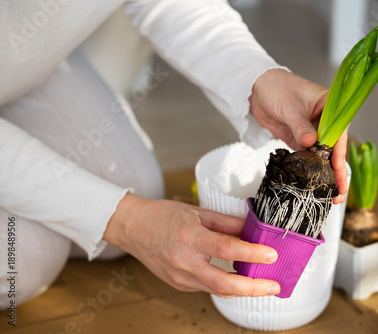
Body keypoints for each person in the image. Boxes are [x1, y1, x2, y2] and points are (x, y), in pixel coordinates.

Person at [0, 0, 348, 306]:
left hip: (28, 67)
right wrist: (124, 220)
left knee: (137, 192)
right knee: (27, 261)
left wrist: (257, 78)